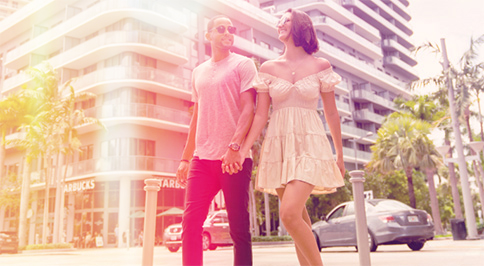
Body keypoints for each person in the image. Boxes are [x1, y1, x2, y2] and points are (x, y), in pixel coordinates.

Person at [235, 9, 345, 266]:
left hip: (310, 143)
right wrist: (244, 149)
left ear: (300, 27)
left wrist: (339, 154)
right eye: (280, 21)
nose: (280, 24)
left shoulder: (321, 66)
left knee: (289, 214)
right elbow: (261, 115)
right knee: (298, 220)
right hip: (279, 146)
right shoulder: (269, 67)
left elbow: (331, 112)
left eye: (286, 20)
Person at [175, 15, 257, 266]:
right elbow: (196, 117)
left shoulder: (244, 65)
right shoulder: (198, 71)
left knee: (238, 228)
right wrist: (186, 158)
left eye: (231, 29)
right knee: (190, 224)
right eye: (221, 29)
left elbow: (248, 109)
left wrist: (235, 147)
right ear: (208, 35)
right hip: (202, 159)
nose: (228, 32)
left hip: (233, 159)